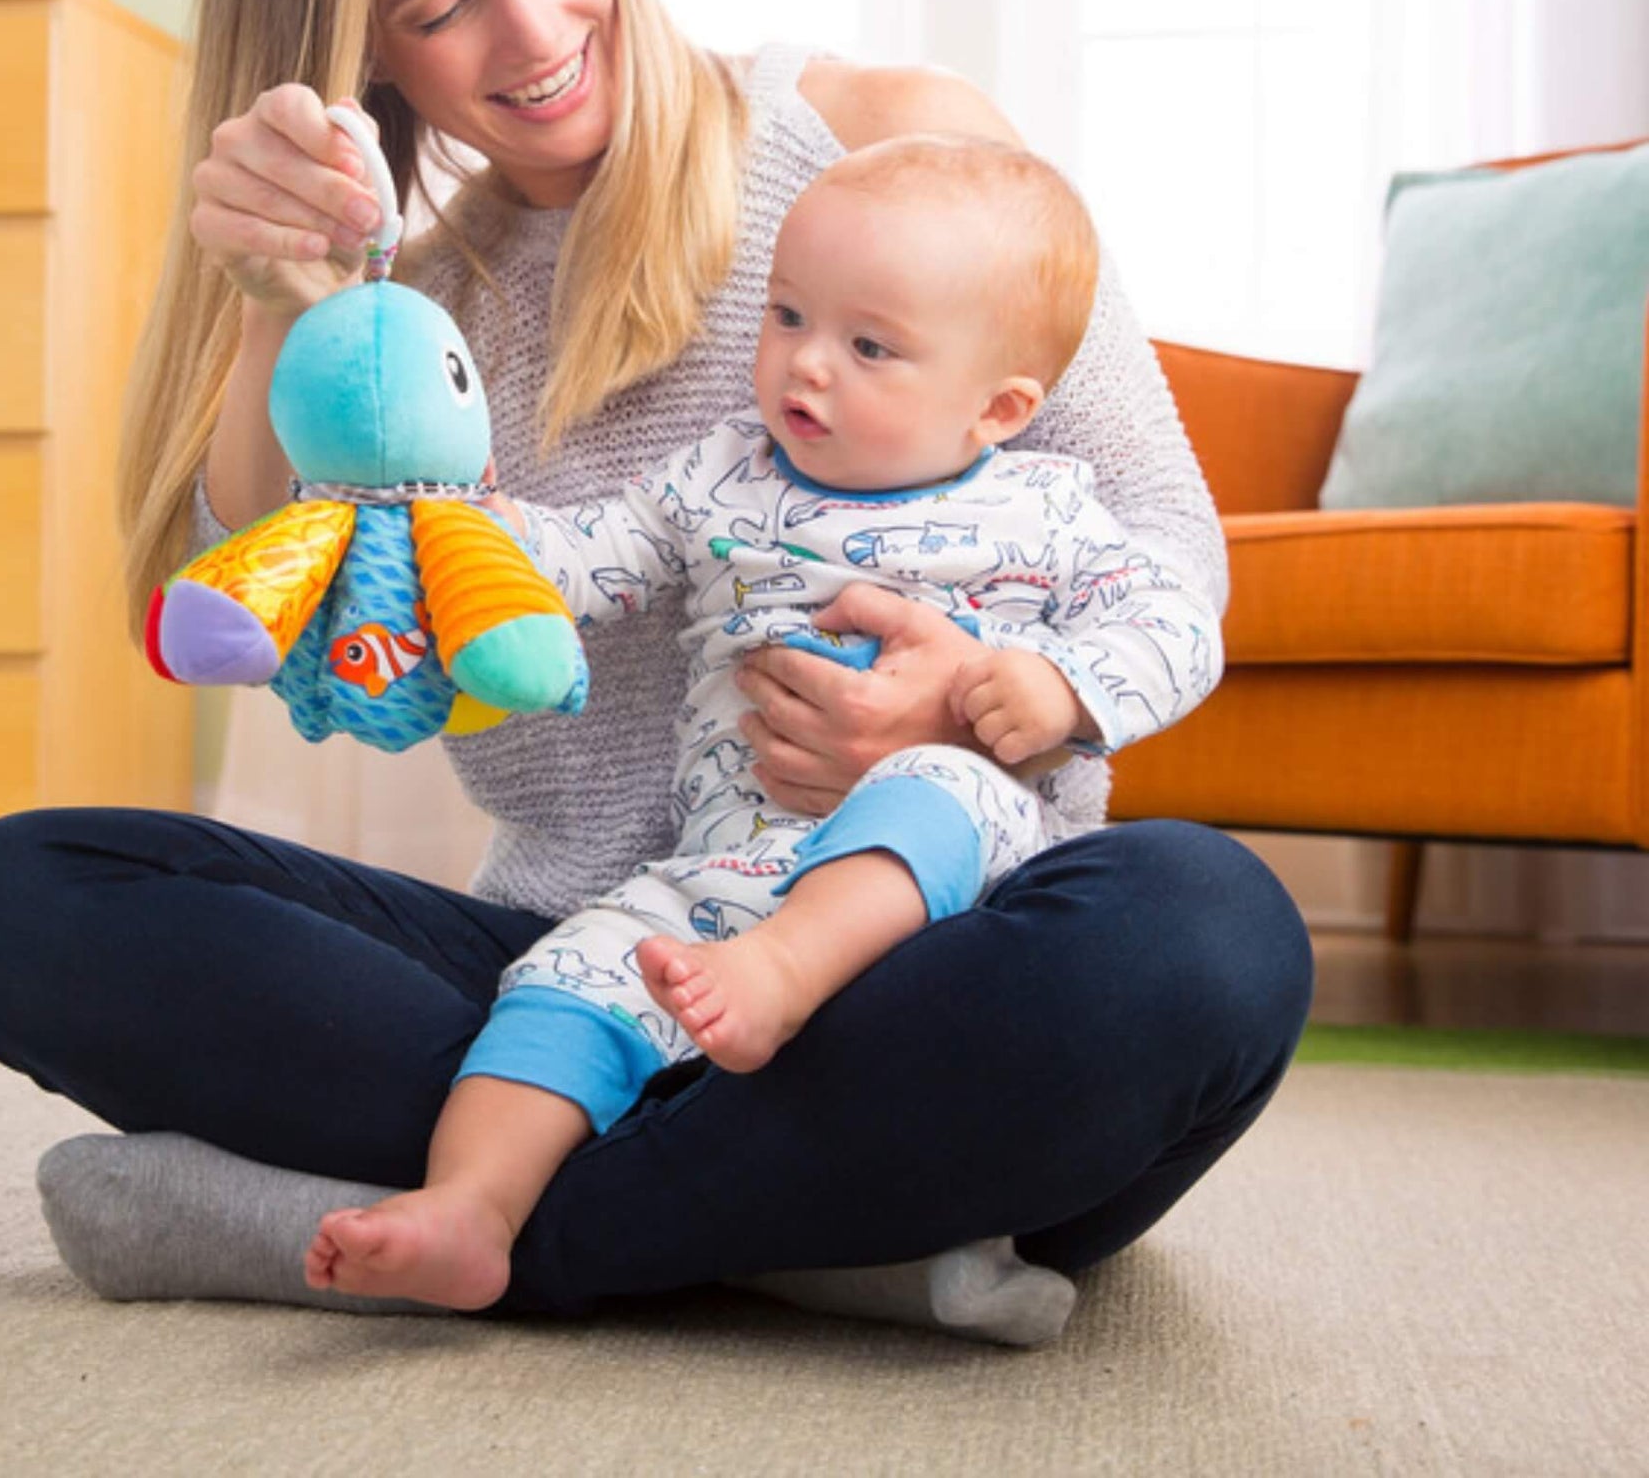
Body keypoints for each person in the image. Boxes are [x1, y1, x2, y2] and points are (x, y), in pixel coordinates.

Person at [0, 0, 1313, 1347]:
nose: (530, 33)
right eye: (442, 7)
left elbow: (1164, 543)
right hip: (586, 954)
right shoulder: (410, 342)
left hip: (940, 947)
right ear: (358, 48)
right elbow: (298, 604)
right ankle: (825, 1240)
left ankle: (451, 1218)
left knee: (1204, 940)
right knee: (24, 895)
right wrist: (263, 303)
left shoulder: (886, 151)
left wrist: (959, 704)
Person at [303, 134, 1224, 1313]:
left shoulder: (1041, 505)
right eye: (786, 315)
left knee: (945, 787)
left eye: (869, 345)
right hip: (729, 877)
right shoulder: (725, 472)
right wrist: (465, 534)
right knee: (567, 971)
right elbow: (599, 551)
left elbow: (1174, 616)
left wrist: (1057, 687)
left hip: (952, 905)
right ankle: (471, 1209)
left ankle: (781, 1000)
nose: (806, 364)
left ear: (996, 407)